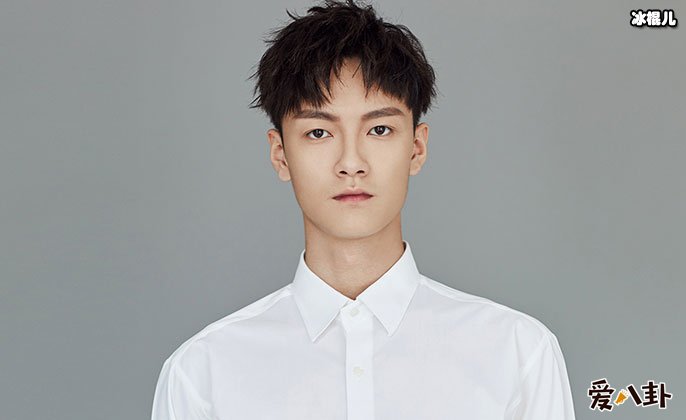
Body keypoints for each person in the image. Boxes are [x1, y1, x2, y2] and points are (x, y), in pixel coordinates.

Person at [151, 1, 577, 419]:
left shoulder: (517, 354)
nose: (351, 163)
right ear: (280, 155)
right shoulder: (203, 374)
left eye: (380, 129)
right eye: (319, 132)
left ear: (417, 147)